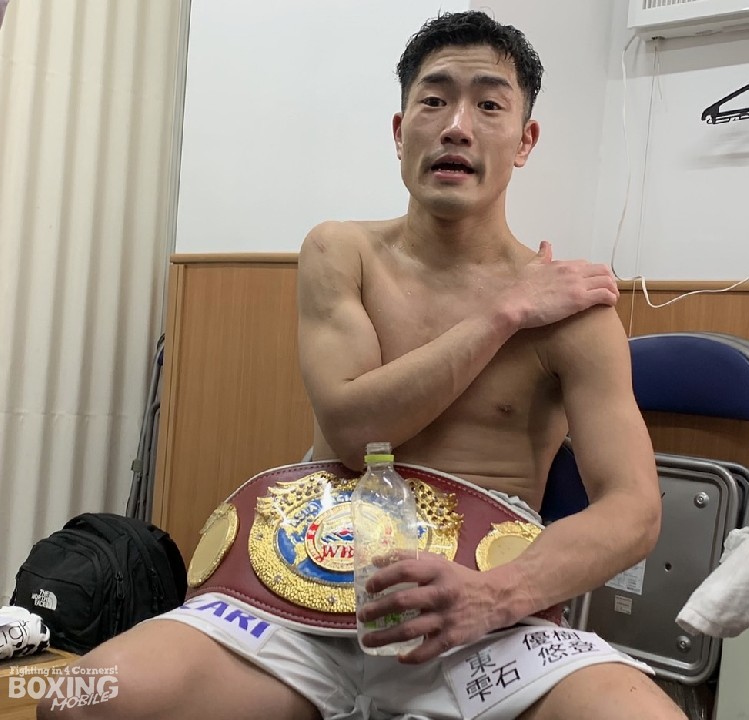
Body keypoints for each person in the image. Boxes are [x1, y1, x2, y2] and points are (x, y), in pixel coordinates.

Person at [40, 11, 682, 720]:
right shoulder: (341, 252)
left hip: (480, 620)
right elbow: (355, 432)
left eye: (488, 105)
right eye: (433, 100)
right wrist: (502, 314)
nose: (457, 126)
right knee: (75, 696)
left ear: (525, 140)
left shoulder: (574, 313)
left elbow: (633, 509)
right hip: (295, 608)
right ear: (400, 131)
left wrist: (495, 595)